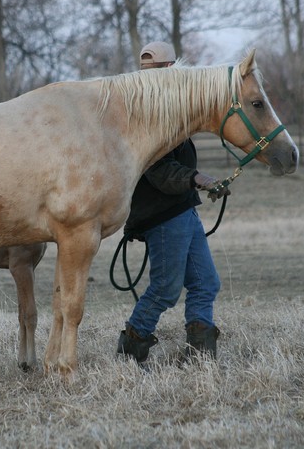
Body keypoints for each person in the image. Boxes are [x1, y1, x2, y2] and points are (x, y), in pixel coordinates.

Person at [116, 41, 230, 365]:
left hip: (183, 210)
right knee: (165, 290)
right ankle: (130, 351)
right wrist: (197, 178)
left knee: (206, 283)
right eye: (146, 72)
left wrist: (206, 184)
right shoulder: (144, 116)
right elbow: (159, 170)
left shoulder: (169, 110)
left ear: (168, 70)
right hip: (162, 215)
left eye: (155, 70)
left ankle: (199, 356)